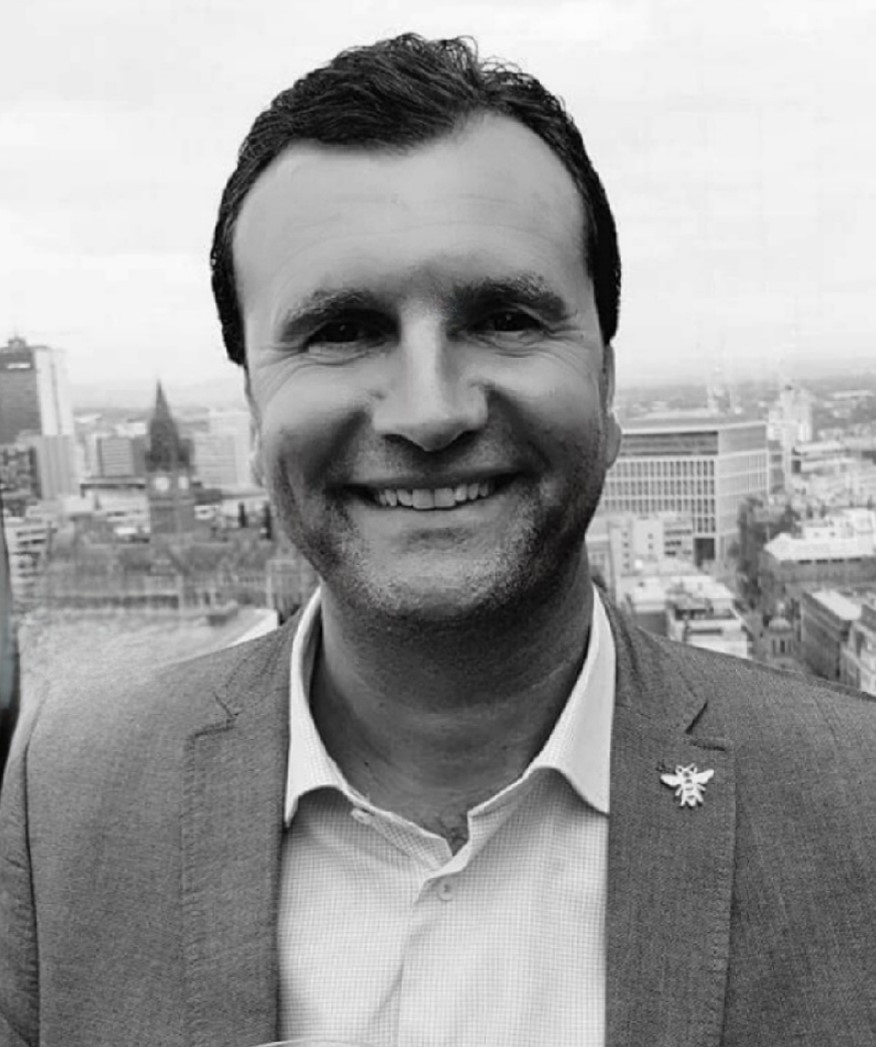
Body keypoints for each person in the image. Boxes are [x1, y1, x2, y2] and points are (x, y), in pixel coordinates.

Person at [2, 33, 875, 1047]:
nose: (428, 410)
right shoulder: (66, 804)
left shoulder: (852, 807)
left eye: (504, 316)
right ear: (250, 403)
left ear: (605, 383)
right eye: (343, 329)